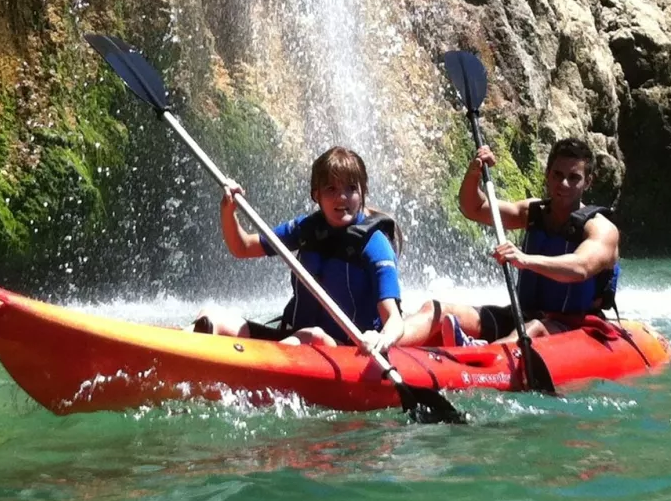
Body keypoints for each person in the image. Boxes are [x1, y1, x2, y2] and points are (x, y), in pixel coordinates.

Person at [192, 146, 408, 356]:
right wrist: (228, 211)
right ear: (316, 195)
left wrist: (381, 340)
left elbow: (394, 321)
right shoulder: (305, 229)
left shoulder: (375, 245)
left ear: (362, 193)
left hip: (346, 350)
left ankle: (254, 370)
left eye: (351, 188)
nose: (342, 197)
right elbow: (242, 247)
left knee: (311, 335)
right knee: (211, 316)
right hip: (292, 340)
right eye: (331, 189)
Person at [418, 137, 620, 344]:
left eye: (574, 177)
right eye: (557, 175)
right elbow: (474, 208)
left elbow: (581, 268)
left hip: (573, 326)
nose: (564, 184)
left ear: (587, 182)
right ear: (547, 175)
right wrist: (474, 173)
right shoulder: (533, 212)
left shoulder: (601, 229)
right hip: (524, 315)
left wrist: (524, 259)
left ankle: (476, 356)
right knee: (435, 310)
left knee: (532, 329)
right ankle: (388, 343)